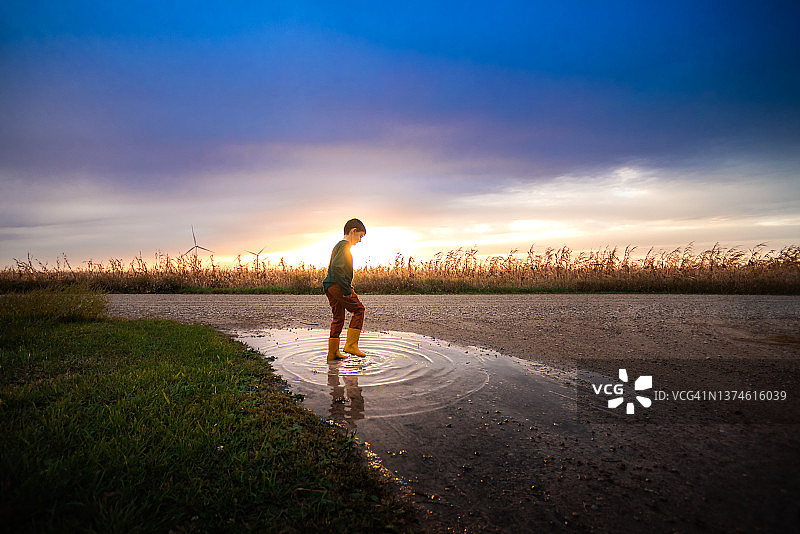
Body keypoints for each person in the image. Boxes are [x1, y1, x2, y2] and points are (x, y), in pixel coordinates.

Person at [322, 218, 367, 361]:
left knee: (338, 318)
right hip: (338, 285)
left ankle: (333, 353)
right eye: (360, 236)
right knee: (359, 310)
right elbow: (337, 267)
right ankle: (351, 345)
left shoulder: (339, 245)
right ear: (353, 231)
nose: (360, 240)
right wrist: (346, 290)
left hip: (330, 286)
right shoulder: (344, 246)